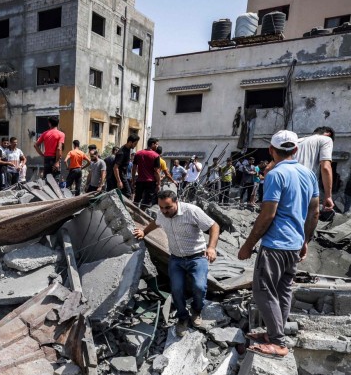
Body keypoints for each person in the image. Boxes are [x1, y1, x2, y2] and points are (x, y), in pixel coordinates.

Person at [238, 130, 320, 358]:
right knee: (283, 290)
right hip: (294, 244)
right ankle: (275, 332)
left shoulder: (275, 174)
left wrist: (248, 245)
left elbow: (267, 215)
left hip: (276, 244)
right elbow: (314, 213)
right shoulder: (308, 174)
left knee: (263, 290)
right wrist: (305, 240)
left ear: (272, 151)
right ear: (295, 150)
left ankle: (277, 341)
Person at [133, 190, 220, 337]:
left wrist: (211, 247)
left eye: (168, 207)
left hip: (197, 257)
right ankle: (182, 317)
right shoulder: (162, 215)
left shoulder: (191, 211)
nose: (164, 211)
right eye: (161, 208)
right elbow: (156, 222)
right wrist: (144, 232)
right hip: (176, 259)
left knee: (199, 287)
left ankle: (196, 310)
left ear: (176, 202)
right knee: (176, 289)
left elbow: (214, 226)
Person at [294, 126, 336, 211]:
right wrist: (328, 196)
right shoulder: (326, 139)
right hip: (302, 185)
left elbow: (269, 168)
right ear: (328, 134)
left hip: (284, 182)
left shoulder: (297, 141)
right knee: (308, 215)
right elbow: (325, 167)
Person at [132, 138, 161, 207]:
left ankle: (133, 214)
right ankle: (142, 214)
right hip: (150, 182)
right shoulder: (156, 155)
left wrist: (133, 180)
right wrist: (159, 183)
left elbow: (134, 168)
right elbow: (156, 171)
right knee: (147, 202)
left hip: (139, 181)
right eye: (156, 144)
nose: (157, 146)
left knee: (136, 200)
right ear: (152, 144)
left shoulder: (138, 153)